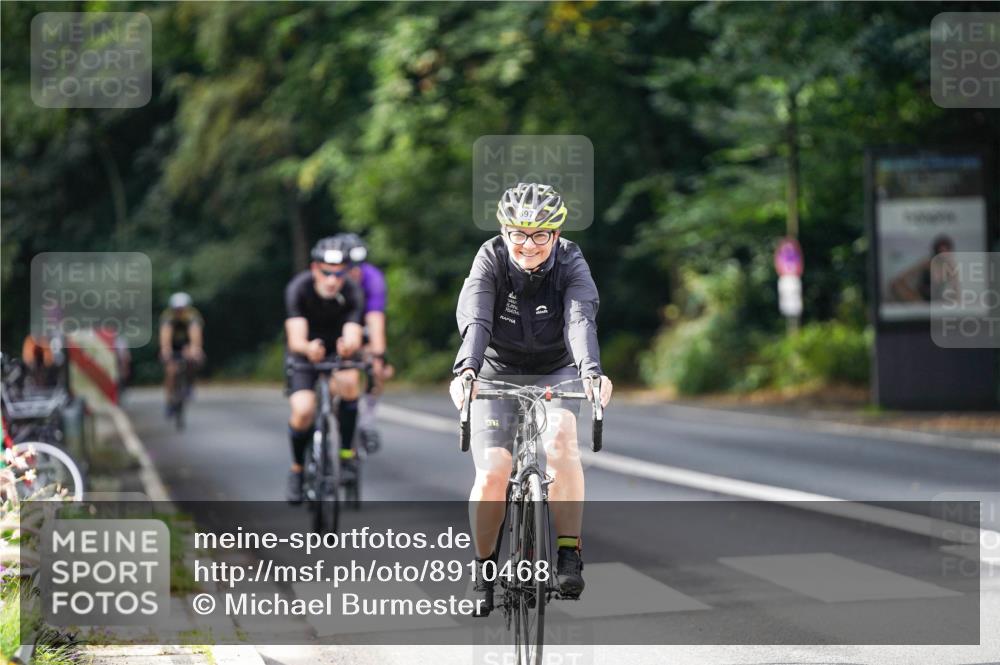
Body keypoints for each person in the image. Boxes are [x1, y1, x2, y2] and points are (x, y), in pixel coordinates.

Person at [449, 182, 614, 615]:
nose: (528, 244)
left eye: (540, 234)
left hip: (555, 369)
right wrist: (467, 369)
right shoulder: (490, 258)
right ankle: (483, 570)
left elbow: (580, 319)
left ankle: (567, 552)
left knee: (561, 442)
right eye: (518, 234)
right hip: (497, 369)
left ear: (556, 235)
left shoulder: (570, 262)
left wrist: (591, 373)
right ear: (505, 232)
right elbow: (477, 316)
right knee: (494, 471)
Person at [284, 237, 365, 504]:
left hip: (336, 352)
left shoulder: (352, 290)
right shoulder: (299, 288)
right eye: (326, 272)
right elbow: (296, 337)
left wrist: (348, 346)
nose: (332, 279)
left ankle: (345, 456)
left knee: (350, 384)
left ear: (347, 272)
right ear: (315, 268)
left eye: (339, 272)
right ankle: (297, 470)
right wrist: (308, 349)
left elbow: (353, 332)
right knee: (303, 410)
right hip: (305, 352)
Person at [328, 233, 393, 453]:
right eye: (349, 267)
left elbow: (375, 320)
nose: (354, 272)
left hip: (361, 326)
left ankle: (366, 421)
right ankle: (327, 410)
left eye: (358, 266)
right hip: (332, 325)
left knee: (375, 367)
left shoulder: (372, 278)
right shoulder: (330, 279)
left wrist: (379, 356)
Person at [159, 292, 204, 416]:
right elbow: (165, 335)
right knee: (170, 371)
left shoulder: (193, 316)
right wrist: (165, 350)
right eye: (177, 309)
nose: (179, 311)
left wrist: (195, 349)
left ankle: (190, 384)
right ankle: (169, 402)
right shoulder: (168, 317)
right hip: (173, 345)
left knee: (194, 359)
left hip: (186, 344)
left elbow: (195, 334)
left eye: (182, 308)